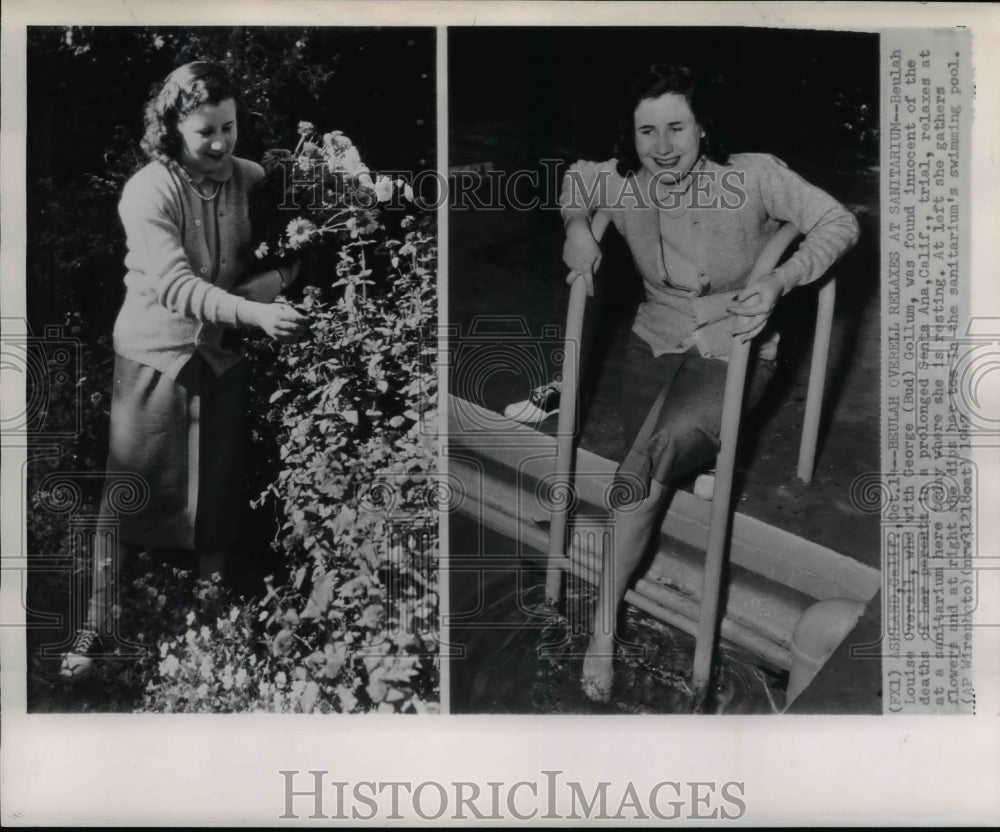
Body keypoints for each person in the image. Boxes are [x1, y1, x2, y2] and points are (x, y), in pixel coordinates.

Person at [555, 64, 860, 702]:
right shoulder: (621, 179)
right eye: (646, 132)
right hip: (657, 342)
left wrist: (782, 278)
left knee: (638, 479)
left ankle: (602, 629)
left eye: (677, 128)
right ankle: (696, 455)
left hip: (739, 346)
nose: (662, 147)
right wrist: (578, 228)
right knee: (661, 449)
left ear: (703, 128)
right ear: (630, 136)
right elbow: (574, 181)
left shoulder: (753, 174)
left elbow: (838, 221)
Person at [60, 61, 308, 679]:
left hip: (220, 354)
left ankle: (211, 608)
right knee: (128, 489)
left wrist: (276, 277)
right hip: (155, 354)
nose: (221, 143)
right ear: (172, 129)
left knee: (218, 486)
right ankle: (97, 624)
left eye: (229, 126)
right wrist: (253, 310)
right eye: (205, 132)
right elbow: (174, 286)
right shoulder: (150, 189)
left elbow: (298, 247)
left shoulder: (251, 180)